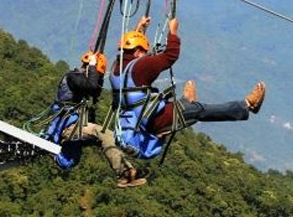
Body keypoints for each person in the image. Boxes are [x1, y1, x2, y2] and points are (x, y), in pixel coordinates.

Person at [109, 15, 265, 160]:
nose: (146, 54)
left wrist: (140, 28)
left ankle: (185, 101)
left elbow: (132, 52)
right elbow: (170, 56)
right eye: (144, 51)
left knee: (180, 105)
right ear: (137, 52)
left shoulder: (116, 68)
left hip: (138, 119)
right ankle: (247, 106)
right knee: (198, 111)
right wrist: (173, 32)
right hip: (156, 121)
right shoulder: (141, 66)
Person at [47, 49, 147, 188]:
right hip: (66, 128)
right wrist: (93, 65)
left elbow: (95, 88)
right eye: (97, 75)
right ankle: (125, 172)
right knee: (104, 133)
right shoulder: (72, 77)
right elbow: (91, 85)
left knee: (110, 136)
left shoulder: (82, 85)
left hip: (76, 129)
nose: (98, 80)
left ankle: (128, 170)